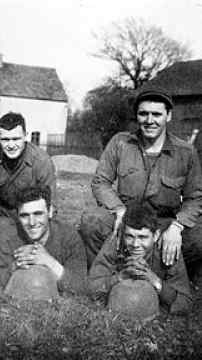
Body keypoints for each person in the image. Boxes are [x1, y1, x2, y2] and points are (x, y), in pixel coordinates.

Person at [80, 87, 202, 283]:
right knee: (92, 220)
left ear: (168, 116)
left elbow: (195, 197)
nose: (149, 120)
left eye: (156, 114)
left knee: (198, 237)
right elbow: (100, 182)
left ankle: (177, 279)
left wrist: (177, 226)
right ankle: (103, 276)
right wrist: (118, 209)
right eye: (143, 114)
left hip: (164, 222)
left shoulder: (185, 152)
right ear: (137, 116)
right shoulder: (120, 143)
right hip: (127, 219)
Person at [89, 203, 192, 315]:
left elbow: (185, 303)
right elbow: (91, 286)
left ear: (156, 236)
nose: (135, 244)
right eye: (129, 236)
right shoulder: (116, 242)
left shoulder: (168, 249)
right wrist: (119, 278)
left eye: (142, 237)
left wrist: (156, 282)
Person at [0, 185, 87, 294]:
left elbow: (80, 287)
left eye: (38, 214)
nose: (32, 222)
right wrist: (15, 266)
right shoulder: (11, 236)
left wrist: (49, 262)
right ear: (17, 216)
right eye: (24, 216)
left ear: (50, 212)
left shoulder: (69, 237)